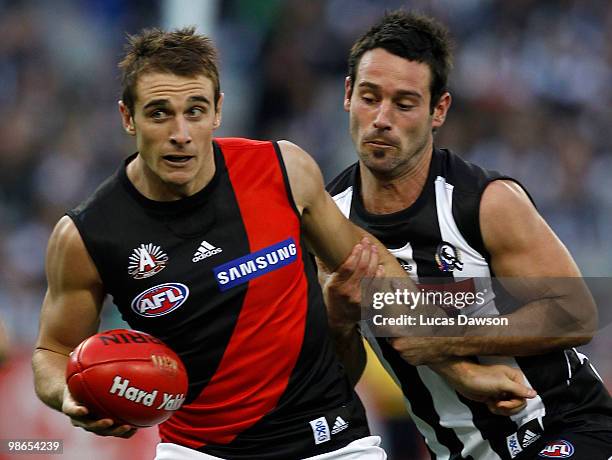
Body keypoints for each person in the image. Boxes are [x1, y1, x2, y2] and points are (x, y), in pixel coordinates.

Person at [30, 27, 534, 460]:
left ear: (219, 110)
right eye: (160, 113)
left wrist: (462, 369)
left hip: (332, 439)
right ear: (128, 117)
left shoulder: (282, 169)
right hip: (198, 448)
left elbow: (372, 267)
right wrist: (70, 396)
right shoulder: (86, 234)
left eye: (196, 110)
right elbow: (52, 350)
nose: (180, 133)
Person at [324, 10, 612, 460]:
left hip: (563, 429)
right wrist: (339, 322)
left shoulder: (485, 202)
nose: (381, 119)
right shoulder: (330, 220)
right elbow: (343, 372)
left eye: (404, 103)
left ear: (438, 110)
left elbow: (576, 313)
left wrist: (451, 335)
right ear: (347, 95)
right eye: (369, 97)